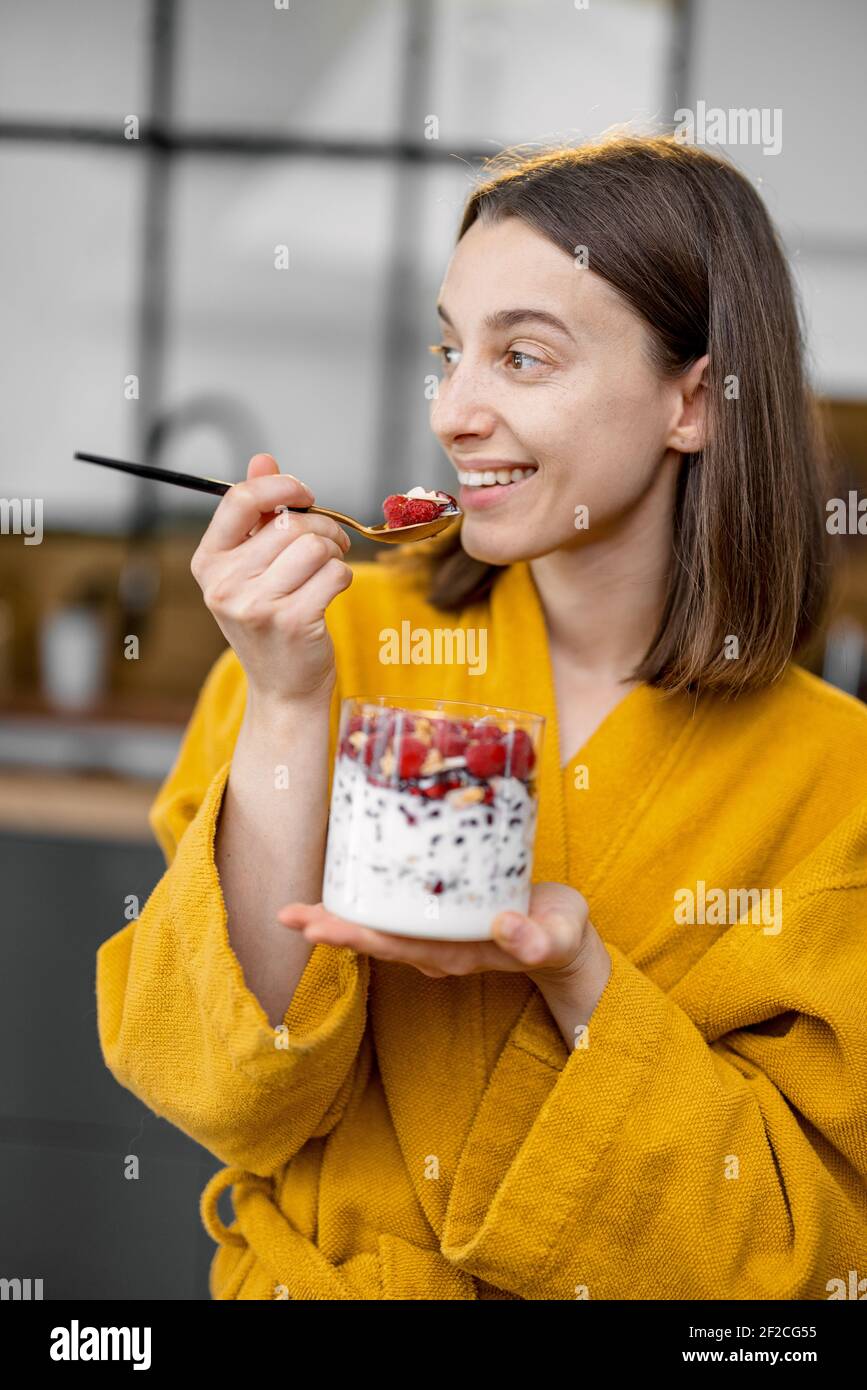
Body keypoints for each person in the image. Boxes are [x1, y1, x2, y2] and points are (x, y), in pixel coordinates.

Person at [96, 134, 867, 1300]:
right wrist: (292, 706)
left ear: (696, 400)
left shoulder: (836, 779)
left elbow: (806, 1252)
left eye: (524, 356)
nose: (454, 412)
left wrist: (578, 979)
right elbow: (216, 1083)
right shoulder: (326, 643)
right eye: (451, 353)